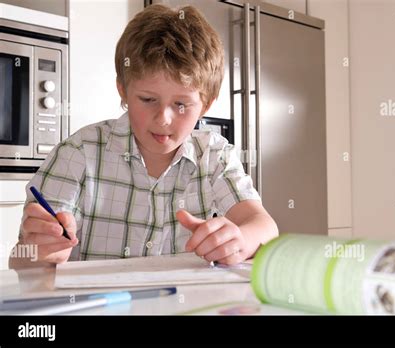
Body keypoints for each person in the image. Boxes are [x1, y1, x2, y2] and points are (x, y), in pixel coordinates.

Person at [9, 4, 278, 269]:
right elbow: (20, 261)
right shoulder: (77, 154)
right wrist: (40, 252)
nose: (163, 119)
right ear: (123, 91)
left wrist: (241, 240)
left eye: (181, 104)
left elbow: (264, 226)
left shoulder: (215, 155)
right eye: (148, 99)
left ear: (206, 105)